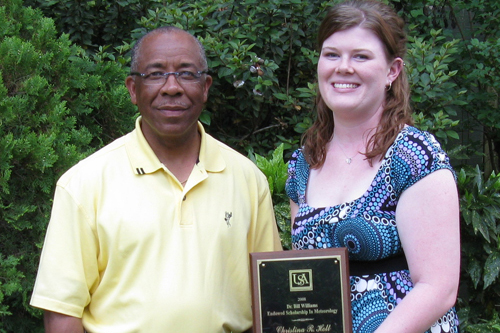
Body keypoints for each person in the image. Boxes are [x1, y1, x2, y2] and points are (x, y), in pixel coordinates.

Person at [31, 26, 282, 333]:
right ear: (133, 89)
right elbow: (62, 312)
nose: (172, 87)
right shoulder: (83, 184)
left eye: (186, 74)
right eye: (155, 73)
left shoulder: (247, 180)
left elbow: (270, 300)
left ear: (205, 87)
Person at [285, 1, 460, 332]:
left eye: (361, 56)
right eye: (332, 54)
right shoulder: (303, 165)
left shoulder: (414, 156)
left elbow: (438, 289)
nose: (343, 67)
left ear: (392, 71)